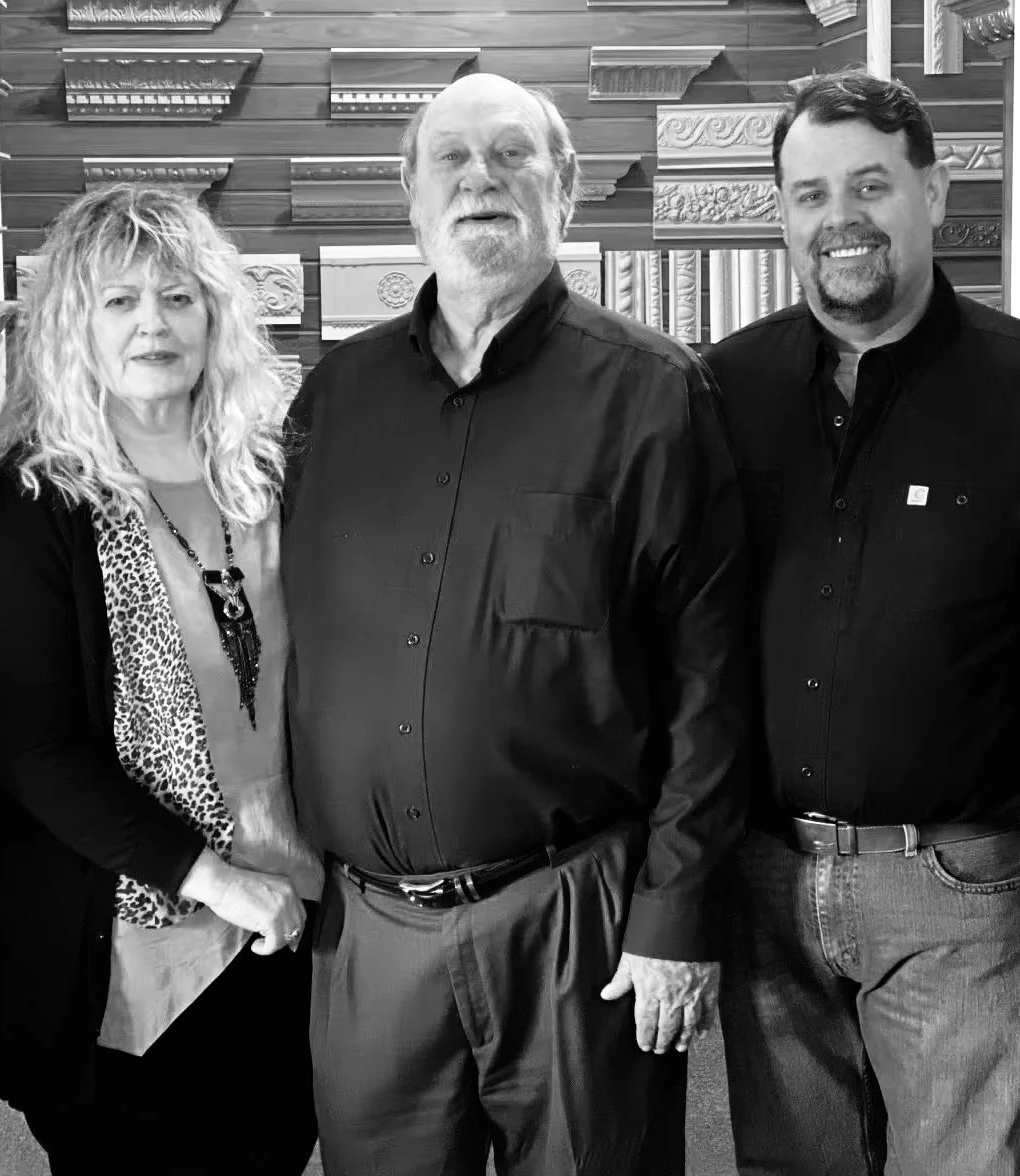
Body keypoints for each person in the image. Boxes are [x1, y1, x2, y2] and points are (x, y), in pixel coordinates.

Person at [281, 72, 748, 1176]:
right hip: (371, 936)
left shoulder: (652, 394)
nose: (478, 178)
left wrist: (674, 916)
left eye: (510, 155)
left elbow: (709, 682)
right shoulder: (331, 402)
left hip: (571, 922)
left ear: (564, 189)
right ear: (409, 194)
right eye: (448, 157)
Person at [705, 68, 1020, 1176]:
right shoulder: (722, 391)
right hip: (763, 879)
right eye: (808, 193)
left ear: (931, 187)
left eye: (869, 185)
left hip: (957, 888)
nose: (840, 220)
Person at [0, 183, 323, 1176]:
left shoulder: (278, 473)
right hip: (125, 954)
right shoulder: (36, 498)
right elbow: (33, 749)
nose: (152, 324)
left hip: (291, 926)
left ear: (217, 315)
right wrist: (213, 880)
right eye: (118, 301)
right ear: (73, 326)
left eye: (177, 296)